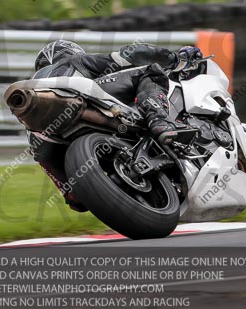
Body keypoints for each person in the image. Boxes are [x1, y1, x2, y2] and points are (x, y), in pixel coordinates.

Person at [29, 40, 205, 210]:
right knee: (150, 71)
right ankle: (159, 120)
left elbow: (76, 200)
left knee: (70, 189)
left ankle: (77, 188)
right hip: (80, 101)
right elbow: (131, 55)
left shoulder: (36, 110)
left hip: (49, 136)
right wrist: (176, 59)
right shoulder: (74, 61)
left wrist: (73, 192)